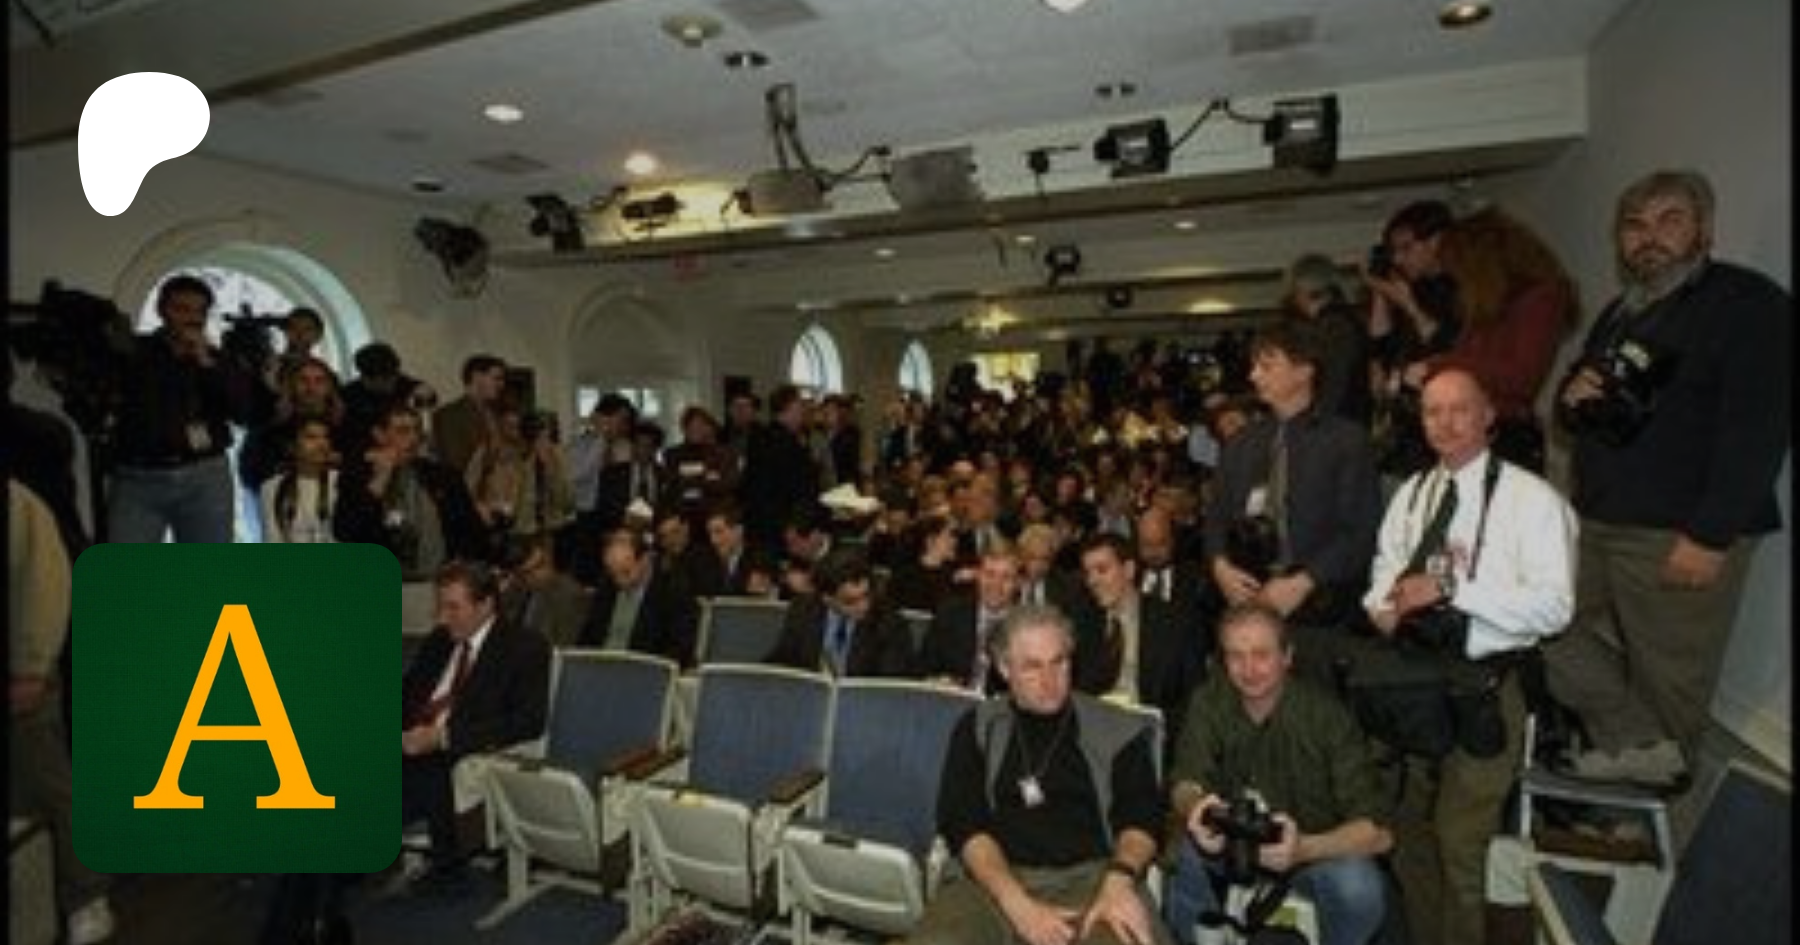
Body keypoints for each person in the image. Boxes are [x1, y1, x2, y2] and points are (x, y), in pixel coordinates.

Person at [1546, 169, 1792, 788]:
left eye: (1669, 220)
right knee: (1538, 618)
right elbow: (1578, 412)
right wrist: (1571, 401)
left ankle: (1657, 827)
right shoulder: (1622, 312)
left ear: (1704, 229)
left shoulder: (1748, 305)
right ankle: (1636, 745)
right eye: (1634, 225)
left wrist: (1710, 535)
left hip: (1679, 531)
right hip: (1600, 519)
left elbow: (1759, 428)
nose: (1648, 237)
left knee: (1670, 681)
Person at [1361, 367, 1576, 945]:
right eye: (1433, 411)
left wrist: (1455, 590)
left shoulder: (1533, 500)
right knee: (1405, 827)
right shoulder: (1414, 493)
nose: (1445, 423)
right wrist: (1382, 607)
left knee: (1460, 838)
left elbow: (1556, 608)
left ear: (1488, 416)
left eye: (1460, 409)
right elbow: (1384, 570)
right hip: (1415, 681)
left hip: (1489, 685)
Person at [905, 604, 1172, 945]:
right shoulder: (979, 727)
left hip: (1096, 879)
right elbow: (964, 823)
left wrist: (1118, 881)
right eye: (1032, 667)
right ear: (1004, 668)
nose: (1050, 680)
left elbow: (1142, 818)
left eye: (1059, 662)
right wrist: (1019, 906)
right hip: (994, 880)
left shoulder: (1118, 729)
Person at [1163, 604, 1392, 945]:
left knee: (1359, 886)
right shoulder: (1208, 702)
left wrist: (1304, 849)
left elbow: (1379, 833)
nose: (1248, 669)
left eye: (1261, 655)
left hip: (1310, 856)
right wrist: (1198, 810)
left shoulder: (1327, 717)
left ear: (1287, 656)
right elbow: (1185, 782)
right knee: (1184, 851)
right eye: (1236, 656)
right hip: (1230, 845)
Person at [1204, 321, 1381, 683]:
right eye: (1254, 365)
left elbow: (1361, 532)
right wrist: (1220, 566)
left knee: (1315, 711)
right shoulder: (1241, 443)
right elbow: (1215, 520)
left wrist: (1303, 582)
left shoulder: (1346, 441)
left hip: (1321, 611)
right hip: (1247, 605)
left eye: (1267, 365)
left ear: (1304, 370)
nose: (1254, 375)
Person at [400, 559, 550, 886]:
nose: (443, 617)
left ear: (485, 605)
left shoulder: (524, 648)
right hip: (411, 743)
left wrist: (443, 737)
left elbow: (527, 723)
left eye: (454, 608)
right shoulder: (439, 641)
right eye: (441, 607)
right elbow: (406, 693)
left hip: (457, 751)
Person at [10, 482, 116, 945]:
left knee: (50, 788)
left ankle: (87, 896)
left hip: (21, 674)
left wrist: (32, 663)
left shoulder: (18, 504)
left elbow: (43, 582)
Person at [1415, 207, 1578, 473]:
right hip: (1475, 436)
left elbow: (1522, 378)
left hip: (1507, 439)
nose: (1457, 277)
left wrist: (1439, 365)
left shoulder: (1541, 298)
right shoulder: (1486, 303)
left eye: (1459, 267)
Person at [106, 273, 256, 543]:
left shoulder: (219, 360)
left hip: (204, 476)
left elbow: (243, 412)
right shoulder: (133, 353)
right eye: (182, 309)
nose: (192, 318)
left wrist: (206, 362)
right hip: (139, 478)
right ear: (161, 311)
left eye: (200, 311)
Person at [334, 403, 488, 578]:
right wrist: (379, 482)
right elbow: (346, 533)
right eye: (403, 431)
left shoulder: (444, 477)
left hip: (439, 582)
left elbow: (474, 534)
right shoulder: (357, 477)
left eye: (417, 431)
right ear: (379, 435)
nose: (413, 439)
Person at [765, 545, 914, 678]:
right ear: (827, 599)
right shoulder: (803, 610)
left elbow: (889, 684)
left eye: (866, 595)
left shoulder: (891, 623)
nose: (864, 606)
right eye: (850, 602)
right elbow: (783, 660)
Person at [577, 527, 701, 666]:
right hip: (600, 668)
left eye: (626, 572)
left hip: (644, 671)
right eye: (613, 573)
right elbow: (587, 639)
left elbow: (680, 650)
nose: (619, 582)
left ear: (645, 559)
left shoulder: (673, 591)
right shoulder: (607, 587)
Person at [1281, 252, 1373, 427]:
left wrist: (1318, 423)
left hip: (1339, 423)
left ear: (1302, 289)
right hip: (1347, 419)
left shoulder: (1335, 325)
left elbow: (1335, 379)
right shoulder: (1344, 320)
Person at [917, 543, 1021, 694]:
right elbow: (923, 669)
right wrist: (938, 680)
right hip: (952, 700)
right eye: (990, 574)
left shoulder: (1026, 627)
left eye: (1006, 577)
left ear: (1018, 583)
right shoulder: (950, 614)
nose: (996, 584)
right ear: (978, 575)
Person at [259, 417, 341, 543]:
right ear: (292, 446)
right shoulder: (271, 487)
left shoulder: (341, 482)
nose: (322, 444)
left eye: (326, 437)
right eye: (311, 437)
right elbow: (272, 538)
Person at [431, 354, 508, 478]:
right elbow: (454, 465)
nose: (501, 385)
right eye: (496, 378)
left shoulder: (495, 415)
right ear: (477, 377)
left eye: (502, 380)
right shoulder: (450, 415)